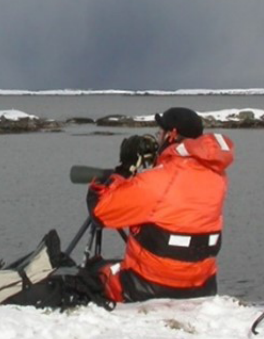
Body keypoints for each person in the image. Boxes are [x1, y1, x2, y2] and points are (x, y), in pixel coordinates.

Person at [87, 107, 234, 303]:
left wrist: (124, 169)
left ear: (171, 134)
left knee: (92, 271)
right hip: (201, 286)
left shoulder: (155, 181)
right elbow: (176, 196)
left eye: (160, 133)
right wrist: (162, 160)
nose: (158, 138)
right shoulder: (218, 178)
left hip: (147, 287)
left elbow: (101, 212)